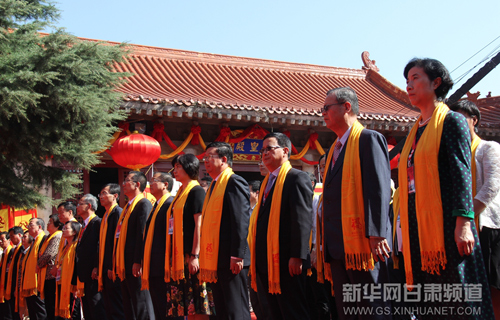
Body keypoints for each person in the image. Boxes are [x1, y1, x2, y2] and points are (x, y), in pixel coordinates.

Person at [398, 58, 494, 318]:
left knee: (459, 297)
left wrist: (463, 223)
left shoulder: (452, 121)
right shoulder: (414, 131)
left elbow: (462, 175)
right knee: (431, 301)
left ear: (436, 82)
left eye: (415, 78)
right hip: (420, 227)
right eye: (407, 80)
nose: (409, 85)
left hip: (448, 225)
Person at [321, 87, 392, 319]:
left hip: (365, 243)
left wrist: (377, 233)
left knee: (371, 309)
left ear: (347, 107)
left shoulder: (368, 139)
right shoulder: (333, 149)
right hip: (338, 245)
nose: (322, 113)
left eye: (326, 108)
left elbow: (378, 189)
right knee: (348, 312)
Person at [249, 132, 313, 320]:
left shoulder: (296, 178)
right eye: (262, 150)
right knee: (272, 312)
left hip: (286, 261)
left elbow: (301, 219)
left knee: (292, 311)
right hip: (265, 261)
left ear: (285, 151)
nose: (264, 153)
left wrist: (298, 255)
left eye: (269, 148)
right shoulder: (266, 183)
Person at [449, 99, 500, 318]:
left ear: (474, 120)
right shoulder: (451, 155)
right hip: (462, 227)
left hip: (486, 226)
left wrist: (466, 216)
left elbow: (492, 186)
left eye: (461, 119)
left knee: (492, 284)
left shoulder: (487, 147)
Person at [200, 142, 251, 320]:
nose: (205, 161)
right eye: (204, 157)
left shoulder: (234, 181)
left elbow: (240, 220)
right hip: (216, 258)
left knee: (235, 310)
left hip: (231, 258)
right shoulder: (213, 185)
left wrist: (237, 255)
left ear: (223, 159)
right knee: (221, 311)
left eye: (209, 157)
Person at [165, 154, 214, 319]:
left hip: (190, 256)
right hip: (179, 257)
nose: (175, 170)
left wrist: (195, 255)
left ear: (189, 168)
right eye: (175, 167)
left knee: (198, 304)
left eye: (179, 167)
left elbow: (199, 225)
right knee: (188, 306)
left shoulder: (196, 191)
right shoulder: (180, 192)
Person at [113, 171, 154, 320]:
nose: (123, 184)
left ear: (137, 184)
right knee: (129, 305)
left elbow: (142, 235)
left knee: (141, 303)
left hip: (135, 264)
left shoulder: (143, 204)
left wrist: (139, 260)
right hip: (125, 264)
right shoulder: (126, 208)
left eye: (127, 181)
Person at [141, 172, 174, 320]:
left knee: (168, 308)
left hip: (164, 264)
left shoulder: (169, 204)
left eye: (155, 181)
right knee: (159, 308)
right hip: (153, 265)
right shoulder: (156, 206)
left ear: (165, 185)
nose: (151, 184)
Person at [75, 194, 107, 320]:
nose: (77, 207)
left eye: (80, 204)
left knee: (96, 307)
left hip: (93, 273)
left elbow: (100, 246)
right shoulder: (84, 225)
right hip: (84, 274)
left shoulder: (97, 222)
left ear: (89, 206)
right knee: (87, 308)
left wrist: (96, 266)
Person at [97, 183, 125, 320]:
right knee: (108, 306)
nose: (101, 196)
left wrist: (111, 266)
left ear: (115, 196)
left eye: (104, 193)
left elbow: (117, 243)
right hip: (105, 268)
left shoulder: (118, 213)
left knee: (117, 307)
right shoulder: (106, 216)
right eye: (100, 194)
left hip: (113, 268)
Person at [54, 201, 81, 320]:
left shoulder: (77, 228)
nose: (58, 215)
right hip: (62, 277)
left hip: (72, 280)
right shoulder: (66, 243)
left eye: (61, 212)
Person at [37, 214, 63, 320]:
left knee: (51, 305)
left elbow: (49, 254)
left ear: (57, 225)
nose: (48, 223)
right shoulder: (49, 237)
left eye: (51, 222)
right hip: (46, 275)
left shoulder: (57, 236)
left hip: (51, 275)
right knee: (48, 304)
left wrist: (38, 264)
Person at [21, 218, 47, 320]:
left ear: (39, 227)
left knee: (39, 312)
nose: (28, 227)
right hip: (29, 283)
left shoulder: (43, 239)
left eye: (31, 225)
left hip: (38, 284)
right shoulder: (33, 242)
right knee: (33, 313)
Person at [4, 227, 24, 320]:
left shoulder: (22, 248)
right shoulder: (15, 249)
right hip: (12, 282)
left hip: (18, 283)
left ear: (19, 235)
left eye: (12, 236)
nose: (11, 238)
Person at [17, 232, 33, 319]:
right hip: (21, 285)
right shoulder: (22, 252)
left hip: (29, 285)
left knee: (29, 312)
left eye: (25, 237)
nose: (22, 239)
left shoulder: (31, 252)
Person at [0, 231, 12, 320]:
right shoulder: (3, 254)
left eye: (2, 239)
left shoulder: (11, 252)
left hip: (9, 285)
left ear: (9, 240)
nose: (0, 242)